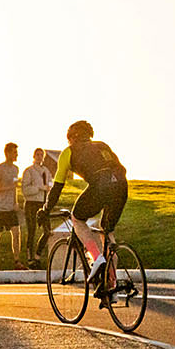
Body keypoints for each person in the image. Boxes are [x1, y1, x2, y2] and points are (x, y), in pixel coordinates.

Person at [42, 121, 129, 301]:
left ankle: (97, 258)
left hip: (101, 184)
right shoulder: (102, 145)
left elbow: (57, 187)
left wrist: (45, 209)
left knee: (77, 218)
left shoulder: (69, 152)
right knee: (107, 231)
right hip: (121, 184)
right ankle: (110, 286)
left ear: (72, 138)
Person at [0, 143, 23, 270]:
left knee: (16, 232)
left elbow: (15, 187)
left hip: (10, 208)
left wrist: (15, 202)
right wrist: (9, 187)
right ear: (7, 153)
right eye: (14, 153)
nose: (16, 155)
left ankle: (17, 261)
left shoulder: (16, 169)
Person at [20, 148, 53, 262]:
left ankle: (38, 255)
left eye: (41, 155)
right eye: (37, 155)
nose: (39, 157)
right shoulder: (29, 171)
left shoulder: (46, 171)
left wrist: (49, 188)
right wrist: (39, 188)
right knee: (32, 231)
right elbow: (25, 190)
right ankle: (30, 258)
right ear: (34, 156)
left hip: (43, 204)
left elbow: (50, 184)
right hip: (31, 204)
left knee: (47, 231)